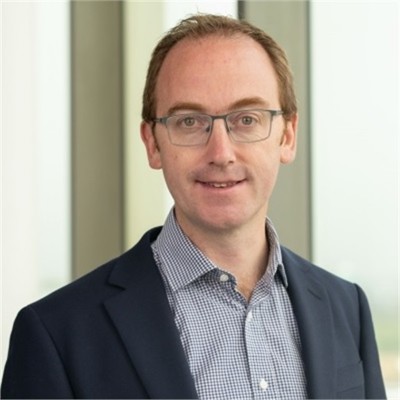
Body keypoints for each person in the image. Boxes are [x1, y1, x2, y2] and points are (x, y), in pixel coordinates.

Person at [1, 14, 386, 400]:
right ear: (153, 144)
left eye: (246, 119)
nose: (221, 153)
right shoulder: (57, 334)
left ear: (287, 136)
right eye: (189, 122)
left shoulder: (346, 308)